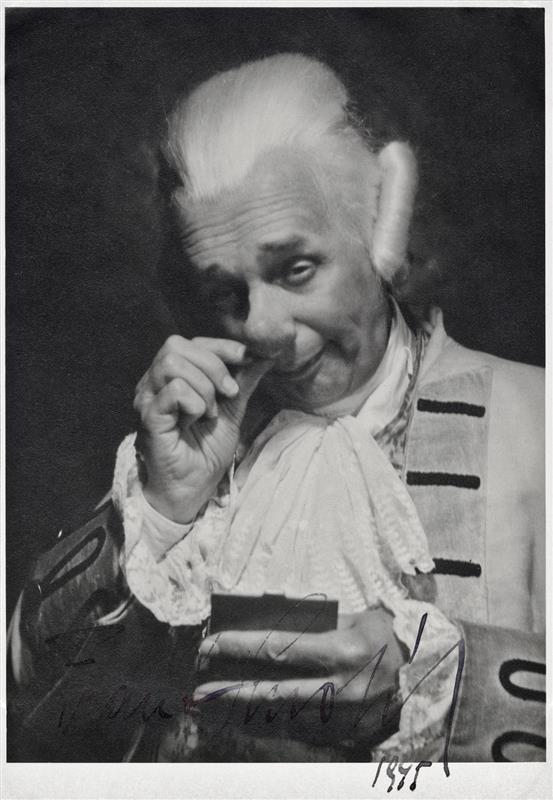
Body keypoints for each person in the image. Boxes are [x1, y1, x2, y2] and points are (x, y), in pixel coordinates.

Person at [8, 53, 545, 764]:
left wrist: (431, 678)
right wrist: (165, 511)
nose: (260, 328)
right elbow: (25, 701)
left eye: (296, 268)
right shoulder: (187, 444)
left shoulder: (536, 420)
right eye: (224, 292)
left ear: (379, 236)